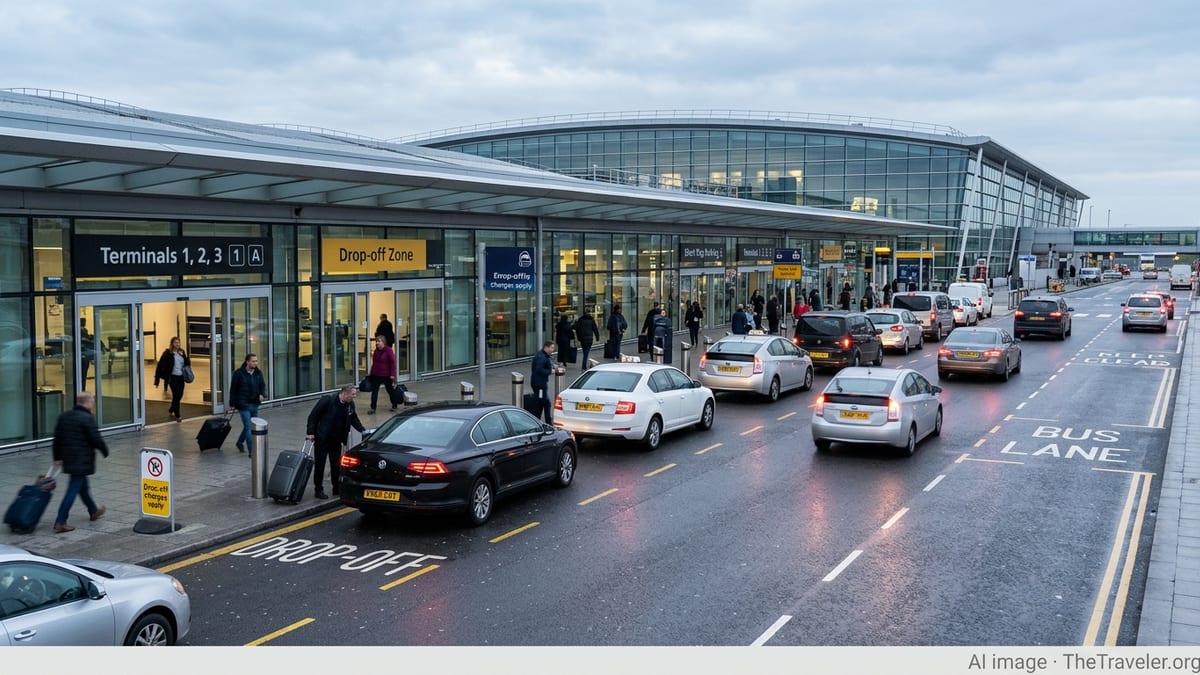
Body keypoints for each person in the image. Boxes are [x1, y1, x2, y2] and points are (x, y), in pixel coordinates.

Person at [50, 391, 109, 533]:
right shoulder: (87, 418)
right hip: (81, 459)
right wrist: (104, 450)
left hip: (69, 458)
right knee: (73, 489)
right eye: (92, 401)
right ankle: (60, 521)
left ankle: (93, 511)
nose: (93, 404)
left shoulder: (64, 416)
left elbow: (57, 439)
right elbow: (96, 438)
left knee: (83, 487)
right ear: (88, 403)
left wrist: (57, 457)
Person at [305, 383, 365, 500]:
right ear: (345, 393)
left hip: (337, 439)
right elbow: (313, 416)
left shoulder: (349, 405)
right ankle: (318, 489)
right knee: (320, 465)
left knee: (336, 465)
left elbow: (354, 419)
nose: (354, 397)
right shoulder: (327, 400)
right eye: (352, 394)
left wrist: (363, 431)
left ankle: (336, 488)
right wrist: (310, 432)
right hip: (323, 438)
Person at [229, 353, 267, 453]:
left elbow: (262, 386)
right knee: (248, 426)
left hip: (254, 403)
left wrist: (262, 394)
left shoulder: (258, 373)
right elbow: (233, 389)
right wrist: (232, 404)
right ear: (247, 362)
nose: (255, 363)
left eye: (256, 361)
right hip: (243, 404)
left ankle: (239, 442)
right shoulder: (239, 373)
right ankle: (252, 451)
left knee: (250, 426)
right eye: (253, 361)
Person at [153, 336, 190, 422]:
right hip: (172, 377)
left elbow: (187, 363)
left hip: (181, 376)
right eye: (175, 342)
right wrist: (157, 379)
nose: (177, 344)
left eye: (178, 342)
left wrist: (184, 357)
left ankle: (172, 409)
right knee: (176, 394)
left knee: (180, 395)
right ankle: (178, 415)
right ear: (172, 344)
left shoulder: (182, 352)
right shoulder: (168, 353)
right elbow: (160, 365)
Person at [366, 335, 398, 414]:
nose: (377, 343)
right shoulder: (376, 351)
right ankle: (373, 408)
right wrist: (371, 373)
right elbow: (374, 363)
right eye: (376, 341)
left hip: (386, 375)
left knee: (390, 390)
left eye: (379, 341)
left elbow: (392, 362)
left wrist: (392, 374)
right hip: (376, 375)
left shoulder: (388, 350)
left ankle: (394, 404)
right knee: (374, 392)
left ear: (383, 342)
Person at [530, 341, 555, 423]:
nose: (553, 350)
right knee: (544, 402)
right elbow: (539, 369)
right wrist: (550, 371)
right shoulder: (542, 357)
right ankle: (545, 421)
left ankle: (539, 420)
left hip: (539, 383)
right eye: (551, 348)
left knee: (542, 402)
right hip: (540, 384)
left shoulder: (542, 355)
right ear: (546, 347)